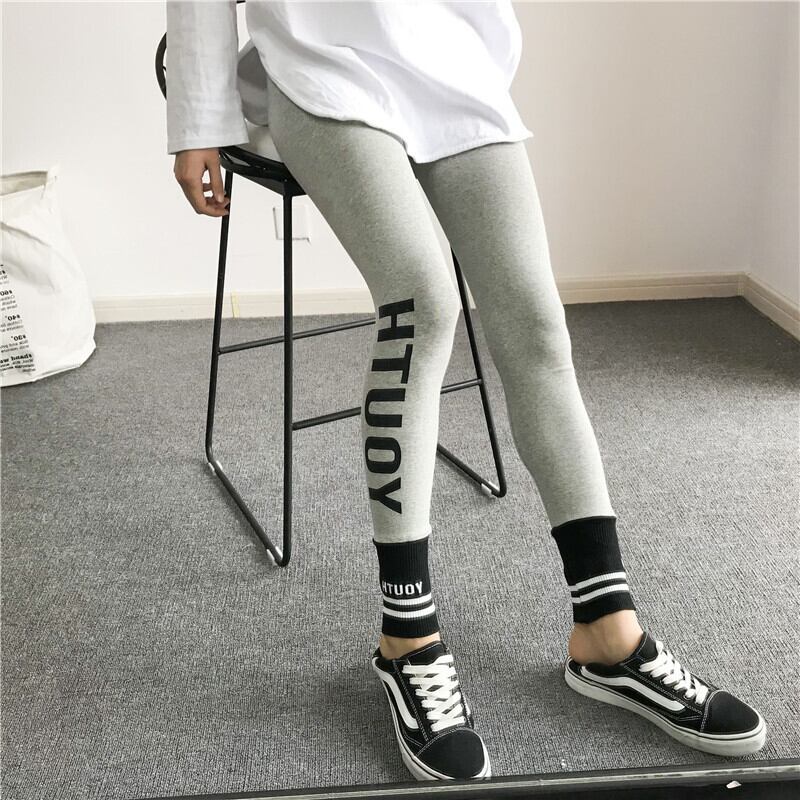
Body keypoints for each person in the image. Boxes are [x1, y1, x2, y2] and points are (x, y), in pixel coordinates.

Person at [165, 0, 766, 782]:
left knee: (537, 325)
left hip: (447, 57)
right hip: (319, 64)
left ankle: (607, 631)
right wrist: (197, 121)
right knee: (422, 304)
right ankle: (406, 638)